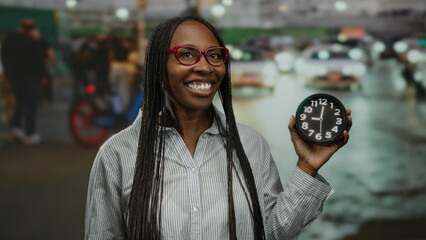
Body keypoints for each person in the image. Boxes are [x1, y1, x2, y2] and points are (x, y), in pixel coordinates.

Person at [85, 16, 352, 240]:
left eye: (214, 55)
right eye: (186, 55)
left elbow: (271, 232)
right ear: (158, 68)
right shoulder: (117, 154)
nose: (204, 66)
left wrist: (307, 167)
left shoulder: (251, 145)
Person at [1, 19, 45, 144]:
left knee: (20, 102)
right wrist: (43, 75)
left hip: (15, 77)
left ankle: (16, 127)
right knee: (31, 105)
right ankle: (29, 134)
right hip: (31, 77)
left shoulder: (10, 39)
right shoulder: (33, 41)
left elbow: (5, 56)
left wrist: (9, 73)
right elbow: (39, 59)